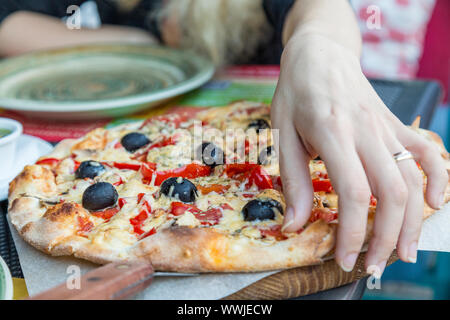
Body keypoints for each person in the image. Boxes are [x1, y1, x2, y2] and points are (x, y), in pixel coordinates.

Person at [0, 0, 447, 278]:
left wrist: (316, 47)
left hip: (268, 129)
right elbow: (10, 18)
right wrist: (144, 44)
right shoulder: (57, 193)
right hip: (125, 153)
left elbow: (317, 7)